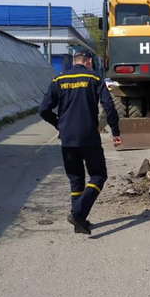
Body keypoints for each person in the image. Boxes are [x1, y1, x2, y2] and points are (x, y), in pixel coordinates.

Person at [39, 51, 122, 235]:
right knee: (99, 176)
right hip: (89, 138)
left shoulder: (58, 80)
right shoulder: (94, 78)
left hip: (67, 139)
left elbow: (44, 110)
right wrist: (115, 132)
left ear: (74, 61)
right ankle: (77, 214)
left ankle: (79, 220)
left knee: (76, 179)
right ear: (88, 61)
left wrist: (58, 123)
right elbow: (109, 106)